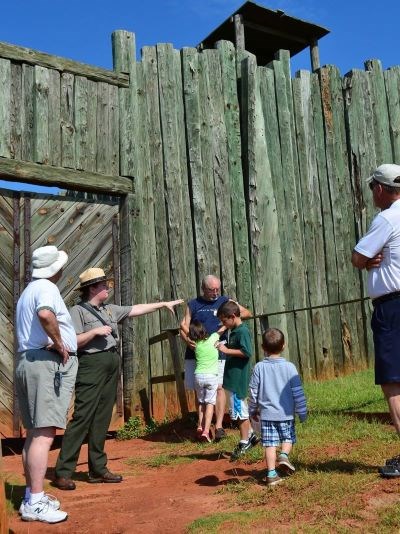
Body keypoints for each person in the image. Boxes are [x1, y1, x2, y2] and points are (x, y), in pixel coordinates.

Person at [53, 268, 183, 489]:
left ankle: (98, 469)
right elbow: (71, 341)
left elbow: (136, 309)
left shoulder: (110, 309)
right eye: (104, 285)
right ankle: (63, 472)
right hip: (91, 365)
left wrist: (162, 305)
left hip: (112, 363)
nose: (107, 288)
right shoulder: (77, 311)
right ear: (92, 288)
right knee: (83, 416)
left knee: (103, 417)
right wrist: (94, 333)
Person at [15, 245, 78, 523]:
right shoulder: (46, 289)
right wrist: (60, 343)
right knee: (44, 431)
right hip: (43, 362)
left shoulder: (29, 290)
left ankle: (32, 495)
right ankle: (36, 502)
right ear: (55, 269)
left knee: (35, 432)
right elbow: (45, 315)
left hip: (30, 360)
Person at [352, 163, 400, 478]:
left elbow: (358, 257)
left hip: (393, 306)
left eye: (373, 188)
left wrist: (369, 259)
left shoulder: (385, 219)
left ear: (380, 189)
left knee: (393, 379)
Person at [180, 275, 252, 441]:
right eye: (212, 290)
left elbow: (246, 313)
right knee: (199, 392)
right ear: (203, 289)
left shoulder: (225, 301)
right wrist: (187, 340)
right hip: (196, 354)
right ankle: (202, 426)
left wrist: (225, 323)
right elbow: (183, 326)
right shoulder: (193, 304)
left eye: (217, 289)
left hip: (219, 352)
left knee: (219, 388)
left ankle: (218, 427)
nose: (215, 292)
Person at [248, 328, 307, 486]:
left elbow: (253, 392)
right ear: (284, 346)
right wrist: (302, 412)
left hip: (266, 415)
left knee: (270, 444)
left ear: (263, 347)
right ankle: (284, 455)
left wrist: (252, 410)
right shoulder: (290, 368)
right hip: (286, 414)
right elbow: (298, 393)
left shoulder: (259, 367)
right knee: (288, 438)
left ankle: (271, 474)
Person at [216, 300, 259, 460]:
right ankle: (251, 436)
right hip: (231, 378)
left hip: (238, 379)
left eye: (224, 320)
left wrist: (226, 350)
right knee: (238, 410)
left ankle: (244, 441)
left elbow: (246, 352)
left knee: (240, 413)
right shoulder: (233, 330)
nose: (223, 323)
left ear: (232, 316)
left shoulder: (242, 331)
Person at [189, 320, 222, 442]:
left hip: (198, 376)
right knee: (209, 404)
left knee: (201, 403)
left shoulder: (195, 344)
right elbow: (223, 329)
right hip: (211, 376)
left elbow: (182, 328)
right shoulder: (213, 338)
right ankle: (206, 431)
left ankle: (199, 426)